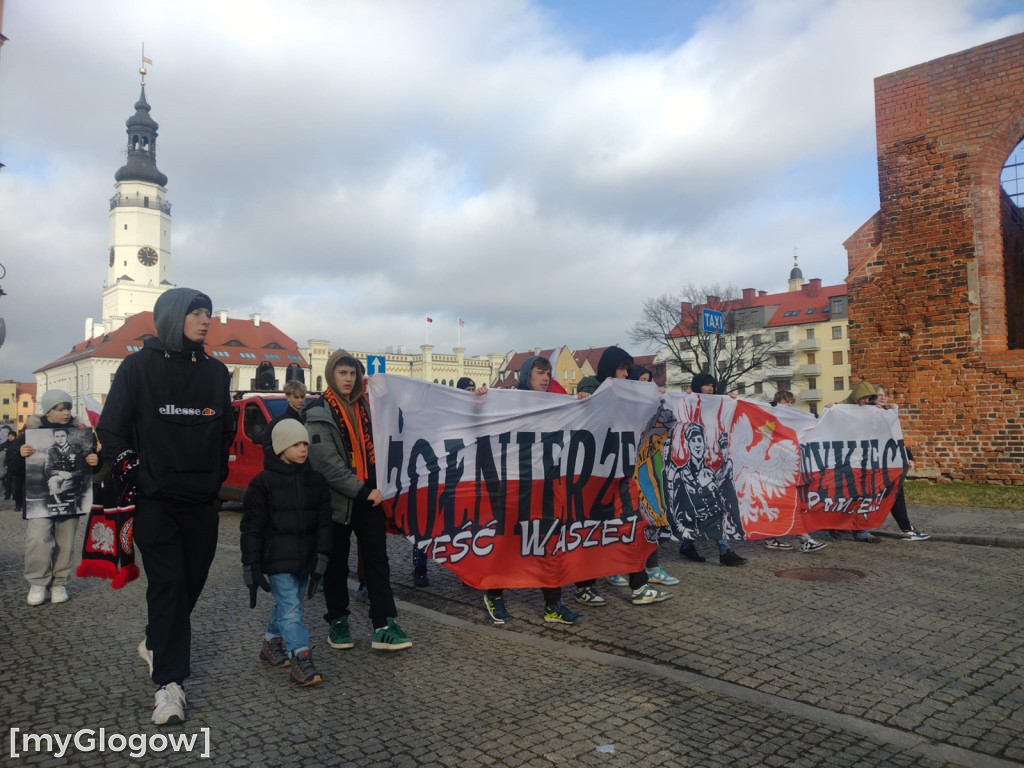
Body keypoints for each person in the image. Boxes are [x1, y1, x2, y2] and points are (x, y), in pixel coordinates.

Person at [97, 288, 233, 726]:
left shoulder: (217, 372)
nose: (205, 320)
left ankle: (157, 639)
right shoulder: (137, 367)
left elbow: (225, 431)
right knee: (169, 585)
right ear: (174, 317)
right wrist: (134, 469)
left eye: (208, 313)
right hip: (155, 500)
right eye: (196, 313)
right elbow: (111, 429)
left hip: (202, 501)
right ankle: (169, 687)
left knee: (191, 583)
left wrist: (214, 475)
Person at [304, 350, 412, 652]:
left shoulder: (368, 406)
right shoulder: (318, 412)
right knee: (337, 565)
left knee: (378, 562)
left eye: (352, 373)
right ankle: (337, 622)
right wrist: (364, 490)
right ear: (331, 375)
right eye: (342, 373)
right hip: (338, 503)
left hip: (370, 500)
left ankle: (384, 623)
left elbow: (406, 417)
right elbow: (328, 465)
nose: (348, 379)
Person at [482, 355, 582, 626]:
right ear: (528, 375)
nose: (546, 378)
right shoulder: (507, 401)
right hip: (515, 485)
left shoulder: (554, 404)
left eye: (548, 373)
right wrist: (479, 398)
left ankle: (553, 604)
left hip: (546, 487)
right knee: (507, 543)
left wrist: (585, 402)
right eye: (540, 372)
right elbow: (481, 420)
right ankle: (494, 594)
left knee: (549, 545)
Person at [575, 347, 672, 606]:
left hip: (621, 474)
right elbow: (585, 397)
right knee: (593, 531)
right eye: (621, 368)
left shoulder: (628, 391)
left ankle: (639, 586)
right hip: (594, 476)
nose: (626, 373)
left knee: (630, 527)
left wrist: (656, 398)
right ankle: (584, 586)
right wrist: (587, 395)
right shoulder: (594, 385)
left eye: (627, 369)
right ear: (609, 368)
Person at [241, 419, 333, 686]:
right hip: (278, 558)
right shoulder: (263, 483)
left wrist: (322, 556)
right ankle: (300, 658)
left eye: (305, 442)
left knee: (289, 605)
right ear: (281, 447)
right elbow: (252, 527)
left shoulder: (316, 481)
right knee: (292, 609)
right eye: (296, 444)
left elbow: (324, 523)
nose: (303, 448)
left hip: (305, 558)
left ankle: (271, 643)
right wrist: (251, 565)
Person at [10, 390, 100, 606]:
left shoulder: (80, 433)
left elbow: (92, 465)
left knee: (65, 543)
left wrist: (95, 459)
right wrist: (20, 454)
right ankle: (38, 583)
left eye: (67, 408)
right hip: (40, 500)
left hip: (72, 495)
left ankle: (59, 583)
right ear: (48, 411)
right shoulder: (31, 433)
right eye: (60, 409)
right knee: (38, 539)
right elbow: (13, 468)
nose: (66, 413)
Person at [677, 373, 748, 566]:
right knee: (713, 509)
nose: (710, 388)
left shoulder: (718, 404)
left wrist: (733, 401)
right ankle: (724, 551)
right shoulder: (690, 404)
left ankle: (687, 545)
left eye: (712, 386)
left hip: (715, 465)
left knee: (706, 510)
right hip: (696, 467)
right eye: (707, 385)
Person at [762, 390, 827, 553]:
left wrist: (830, 411)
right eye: (785, 402)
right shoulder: (770, 420)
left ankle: (771, 537)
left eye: (791, 402)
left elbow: (817, 425)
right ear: (778, 404)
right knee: (791, 505)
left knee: (784, 505)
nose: (789, 405)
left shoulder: (796, 422)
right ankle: (805, 540)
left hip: (790, 470)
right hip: (777, 471)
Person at [874, 384, 930, 541]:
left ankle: (906, 529)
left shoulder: (887, 414)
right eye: (879, 395)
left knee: (895, 494)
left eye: (885, 394)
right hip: (875, 464)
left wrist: (907, 456)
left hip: (888, 463)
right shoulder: (870, 414)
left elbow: (894, 439)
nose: (883, 397)